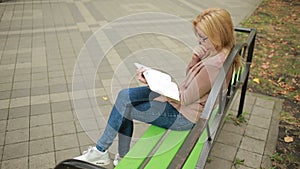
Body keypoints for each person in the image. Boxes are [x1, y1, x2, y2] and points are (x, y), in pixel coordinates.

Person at [74, 7, 239, 167]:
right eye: (198, 36)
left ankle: (107, 153)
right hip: (180, 99)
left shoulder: (215, 65)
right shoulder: (217, 50)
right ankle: (106, 152)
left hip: (184, 116)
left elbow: (186, 99)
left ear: (217, 34)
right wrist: (194, 57)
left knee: (124, 109)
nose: (199, 41)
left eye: (203, 38)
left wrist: (157, 85)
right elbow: (192, 78)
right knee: (124, 96)